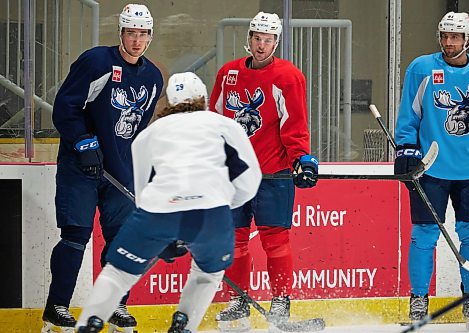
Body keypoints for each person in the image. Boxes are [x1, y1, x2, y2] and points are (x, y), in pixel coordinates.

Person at [75, 71, 262, 333]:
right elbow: (249, 180)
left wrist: (164, 232)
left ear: (169, 102)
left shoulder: (149, 134)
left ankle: (90, 322)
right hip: (212, 213)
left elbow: (143, 192)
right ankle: (184, 323)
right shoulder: (224, 125)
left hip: (158, 212)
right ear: (204, 98)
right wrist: (217, 203)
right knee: (207, 274)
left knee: (118, 272)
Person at [42, 4, 163, 333]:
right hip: (81, 165)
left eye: (143, 34)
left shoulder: (152, 77)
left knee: (123, 239)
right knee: (76, 235)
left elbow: (138, 130)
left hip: (119, 171)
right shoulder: (97, 62)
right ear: (120, 33)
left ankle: (116, 304)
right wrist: (83, 141)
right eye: (131, 33)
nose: (137, 41)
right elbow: (66, 107)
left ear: (150, 36)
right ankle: (57, 307)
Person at [210, 11, 319, 331]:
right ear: (249, 38)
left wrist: (301, 158)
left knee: (276, 240)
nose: (261, 44)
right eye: (257, 38)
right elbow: (215, 118)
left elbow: (294, 123)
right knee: (235, 238)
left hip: (274, 173)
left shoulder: (288, 76)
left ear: (276, 41)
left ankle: (281, 301)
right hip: (235, 173)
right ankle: (238, 300)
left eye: (268, 39)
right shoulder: (228, 73)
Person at [394, 11, 469, 331]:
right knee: (424, 235)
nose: (448, 42)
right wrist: (405, 149)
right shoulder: (422, 68)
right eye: (444, 36)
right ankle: (419, 299)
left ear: (468, 39)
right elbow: (409, 114)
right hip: (430, 170)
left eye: (455, 37)